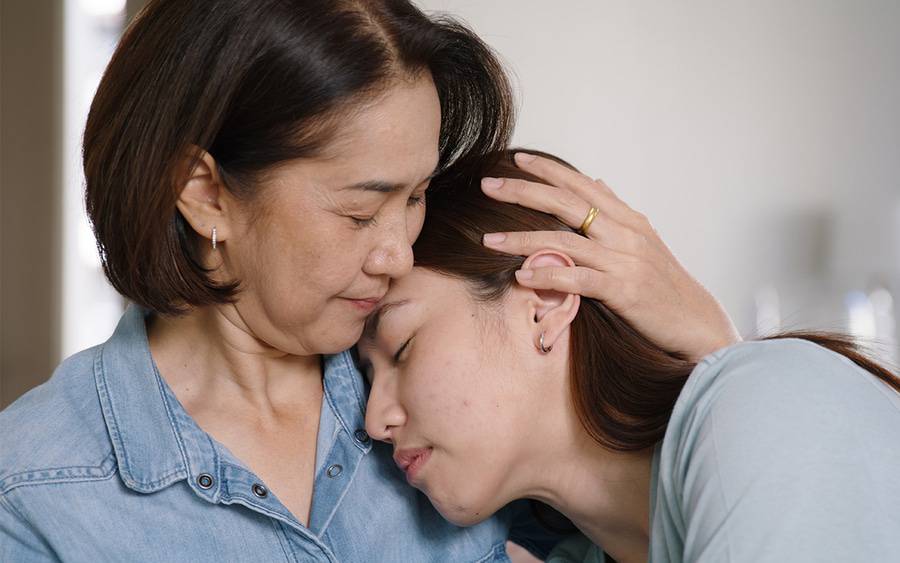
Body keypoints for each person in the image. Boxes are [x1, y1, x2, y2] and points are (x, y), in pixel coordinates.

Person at [0, 2, 740, 561]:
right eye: (360, 211)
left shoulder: (446, 397)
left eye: (414, 198)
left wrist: (721, 362)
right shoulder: (35, 489)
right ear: (205, 192)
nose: (397, 252)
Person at [360, 150, 900, 563]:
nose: (374, 420)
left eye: (403, 348)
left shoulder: (773, 403)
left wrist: (724, 362)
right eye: (366, 377)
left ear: (545, 302)